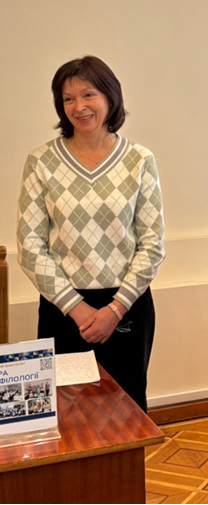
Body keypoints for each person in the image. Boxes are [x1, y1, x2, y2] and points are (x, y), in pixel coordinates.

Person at [17, 56, 165, 411]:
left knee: (127, 412)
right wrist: (79, 310)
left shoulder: (139, 159)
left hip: (127, 306)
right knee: (68, 414)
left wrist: (115, 310)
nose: (78, 107)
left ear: (110, 97)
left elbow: (152, 244)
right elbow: (30, 246)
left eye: (88, 95)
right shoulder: (41, 161)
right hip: (63, 309)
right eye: (68, 99)